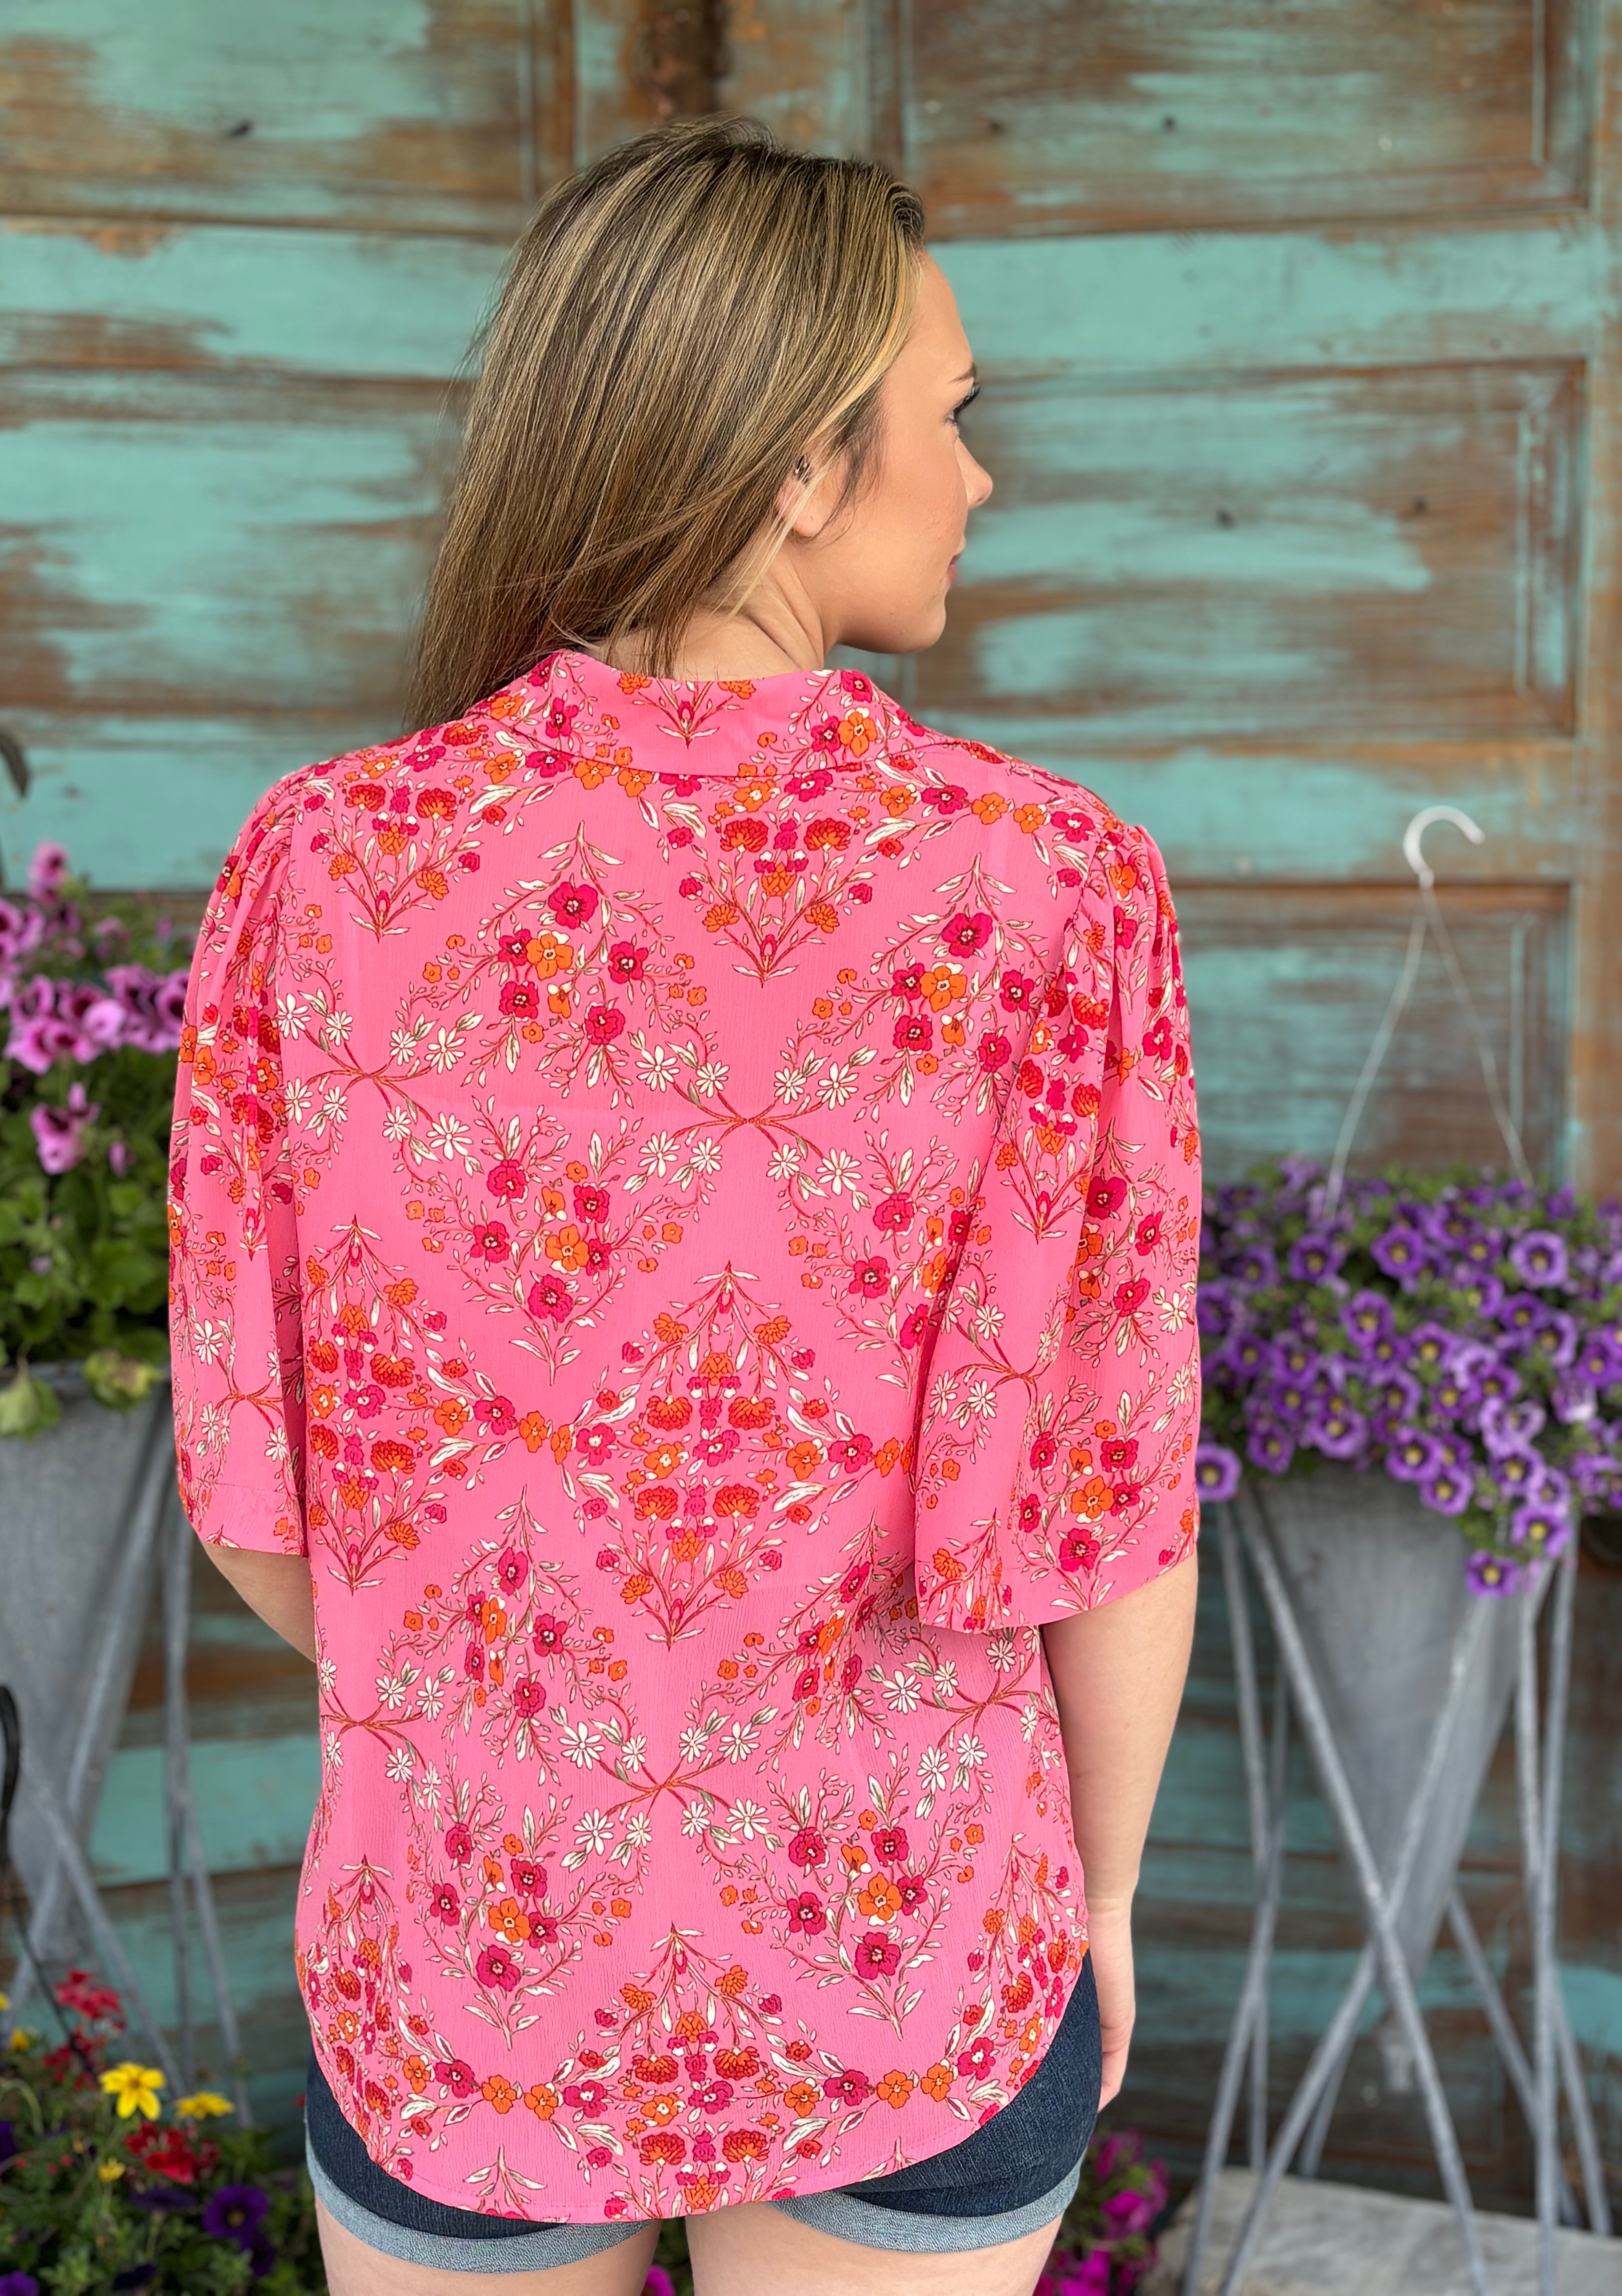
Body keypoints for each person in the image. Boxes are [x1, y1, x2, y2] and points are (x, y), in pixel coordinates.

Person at [167, 116, 1200, 2296]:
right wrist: (1102, 1895)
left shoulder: (322, 868)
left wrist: (511, 1701)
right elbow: (1102, 1504)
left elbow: (257, 1497)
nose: (982, 477)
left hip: (478, 1943)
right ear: (807, 465)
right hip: (904, 1930)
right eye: (954, 415)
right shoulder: (1049, 888)